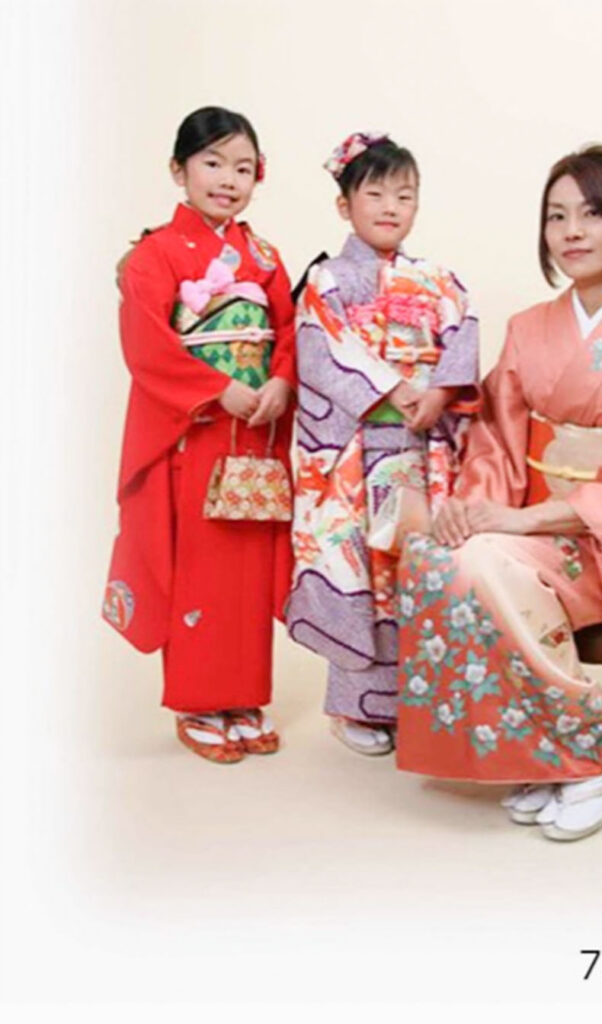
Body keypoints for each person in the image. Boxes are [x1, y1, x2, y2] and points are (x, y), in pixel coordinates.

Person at [394, 144, 602, 839]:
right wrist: (477, 509)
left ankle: (594, 758)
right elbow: (495, 441)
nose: (571, 232)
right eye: (556, 216)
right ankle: (540, 753)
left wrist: (518, 522)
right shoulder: (529, 330)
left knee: (483, 562)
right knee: (437, 555)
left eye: (592, 214)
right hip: (531, 532)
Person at [103, 106, 296, 763]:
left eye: (242, 168)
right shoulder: (154, 254)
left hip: (255, 433)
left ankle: (243, 698)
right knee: (200, 570)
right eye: (212, 163)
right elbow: (147, 345)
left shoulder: (264, 256)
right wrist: (216, 389)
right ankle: (196, 702)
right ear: (178, 170)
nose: (228, 179)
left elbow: (287, 331)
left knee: (246, 571)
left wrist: (281, 380)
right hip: (198, 432)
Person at [286, 132, 480, 756]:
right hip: (356, 450)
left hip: (421, 448)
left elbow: (463, 338)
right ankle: (355, 707)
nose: (391, 206)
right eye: (375, 194)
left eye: (405, 194)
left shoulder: (440, 281)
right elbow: (320, 352)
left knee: (415, 565)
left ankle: (421, 702)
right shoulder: (327, 279)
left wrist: (441, 395)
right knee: (359, 571)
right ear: (345, 205)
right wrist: (398, 390)